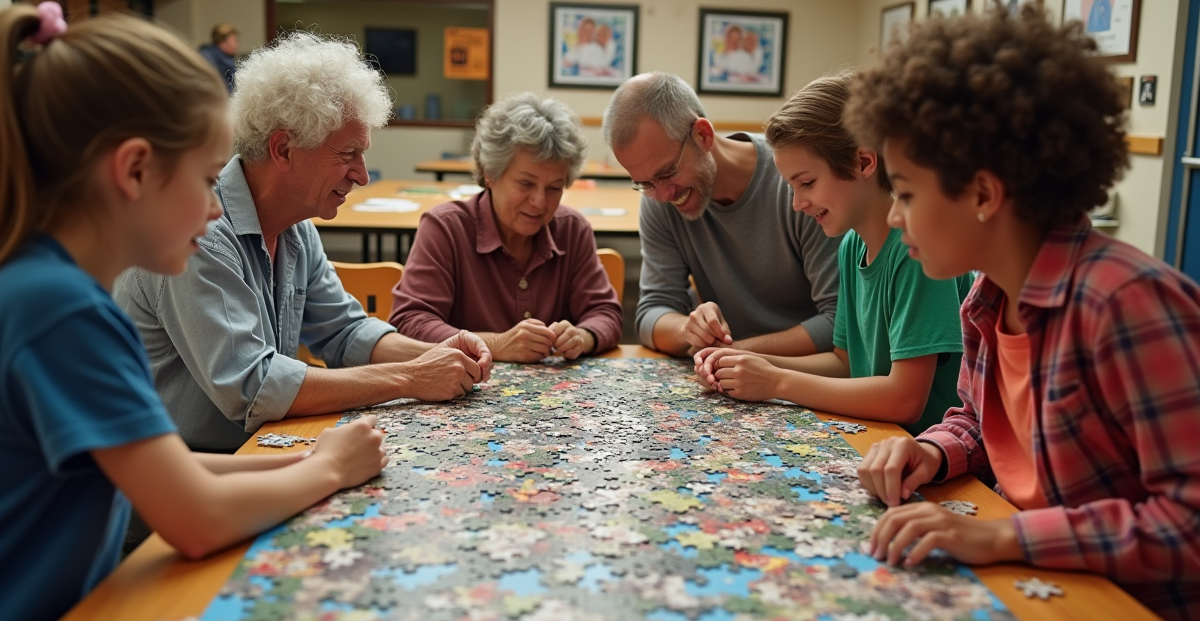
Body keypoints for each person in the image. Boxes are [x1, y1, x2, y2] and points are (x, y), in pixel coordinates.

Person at [0, 3, 389, 621]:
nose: (216, 207)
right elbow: (194, 516)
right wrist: (326, 469)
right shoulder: (65, 313)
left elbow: (162, 472)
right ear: (134, 171)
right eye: (209, 180)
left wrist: (307, 465)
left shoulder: (51, 290)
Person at [847, 5, 1200, 621]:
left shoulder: (1125, 303)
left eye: (905, 192)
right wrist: (930, 451)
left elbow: (1190, 523)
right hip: (1040, 591)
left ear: (983, 195)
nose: (895, 219)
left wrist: (1000, 534)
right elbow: (982, 425)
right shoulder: (986, 296)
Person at [115, 32, 492, 454]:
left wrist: (435, 354)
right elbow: (252, 387)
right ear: (283, 149)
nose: (362, 175)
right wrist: (410, 377)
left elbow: (345, 332)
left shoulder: (296, 228)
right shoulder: (200, 230)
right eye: (348, 153)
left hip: (254, 458)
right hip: (184, 488)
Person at [695, 73, 971, 434]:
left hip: (932, 460)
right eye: (791, 187)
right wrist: (747, 360)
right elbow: (844, 363)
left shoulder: (917, 248)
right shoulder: (851, 246)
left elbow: (904, 399)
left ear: (864, 162)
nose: (797, 203)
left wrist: (777, 382)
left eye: (807, 182)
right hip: (881, 446)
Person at [602, 71, 840, 358]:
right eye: (644, 183)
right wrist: (688, 328)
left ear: (703, 135)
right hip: (731, 375)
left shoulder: (798, 183)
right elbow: (652, 313)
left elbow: (838, 321)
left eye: (667, 173)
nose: (662, 195)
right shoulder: (659, 199)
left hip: (810, 376)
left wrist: (737, 353)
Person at [390, 94, 622, 362]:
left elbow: (606, 313)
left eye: (554, 188)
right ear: (490, 174)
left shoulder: (572, 230)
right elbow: (410, 322)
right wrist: (495, 344)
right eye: (526, 184)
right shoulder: (446, 229)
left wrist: (583, 336)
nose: (539, 202)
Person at [199, 22, 238, 94]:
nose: (236, 44)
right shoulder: (206, 57)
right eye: (234, 40)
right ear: (222, 41)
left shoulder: (228, 59)